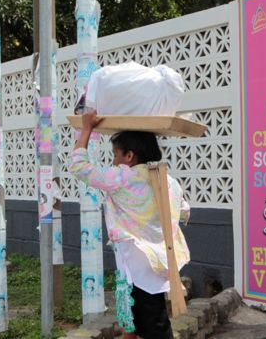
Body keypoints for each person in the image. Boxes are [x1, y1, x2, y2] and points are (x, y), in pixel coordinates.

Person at [68, 111, 190, 339]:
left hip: (136, 264)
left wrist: (86, 129)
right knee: (134, 323)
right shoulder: (168, 180)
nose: (113, 161)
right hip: (160, 260)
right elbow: (184, 212)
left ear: (129, 156)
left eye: (115, 155)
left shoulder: (122, 178)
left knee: (154, 325)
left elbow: (79, 167)